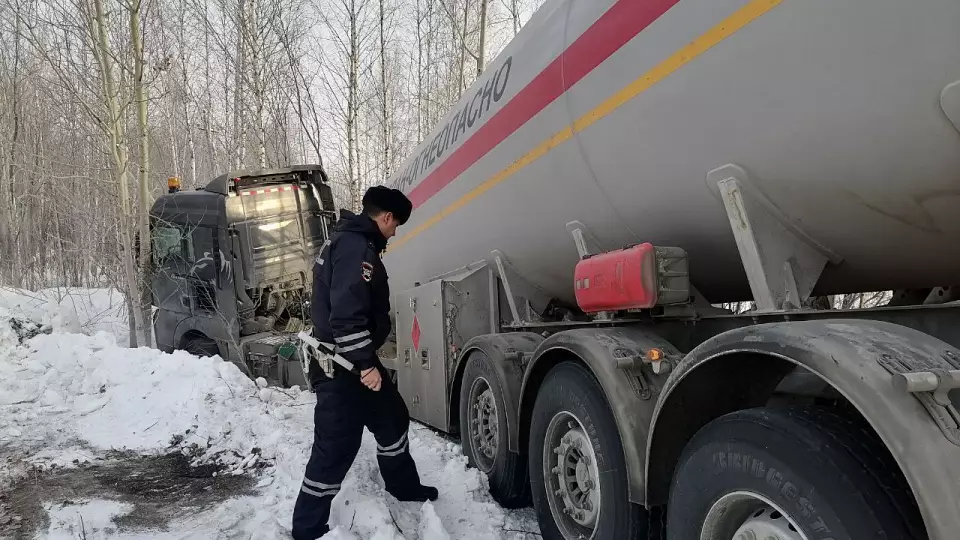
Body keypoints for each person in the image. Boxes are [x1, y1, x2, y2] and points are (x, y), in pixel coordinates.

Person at [292, 186, 438, 540]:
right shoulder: (357, 249)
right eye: (396, 225)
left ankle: (403, 486)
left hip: (354, 360)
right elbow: (345, 315)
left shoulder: (354, 241)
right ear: (385, 217)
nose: (395, 232)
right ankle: (307, 528)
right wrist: (366, 366)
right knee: (336, 446)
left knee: (391, 418)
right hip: (343, 365)